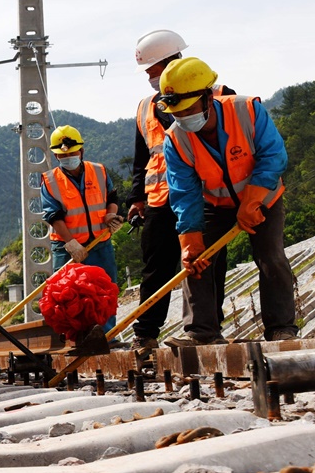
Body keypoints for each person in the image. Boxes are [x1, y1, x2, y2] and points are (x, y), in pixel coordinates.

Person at [159, 57, 297, 346]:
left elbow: (273, 156)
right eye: (177, 111)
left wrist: (253, 200)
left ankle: (281, 329)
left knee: (271, 257)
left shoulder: (246, 110)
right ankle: (201, 332)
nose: (183, 116)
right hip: (214, 204)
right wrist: (190, 239)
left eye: (188, 108)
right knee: (197, 262)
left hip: (263, 199)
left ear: (208, 97)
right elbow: (183, 192)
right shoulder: (175, 139)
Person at [127, 31, 237, 361]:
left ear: (172, 61)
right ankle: (145, 335)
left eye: (153, 69)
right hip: (159, 198)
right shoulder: (145, 108)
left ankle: (207, 329)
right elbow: (141, 158)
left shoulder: (216, 93)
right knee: (155, 268)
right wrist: (137, 199)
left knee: (206, 263)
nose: (150, 78)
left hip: (202, 194)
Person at [39, 125, 124, 354]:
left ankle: (106, 336)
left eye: (72, 153)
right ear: (56, 155)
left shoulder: (99, 171)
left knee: (105, 290)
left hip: (99, 242)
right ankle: (76, 340)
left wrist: (110, 214)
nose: (68, 158)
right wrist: (70, 243)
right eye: (63, 155)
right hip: (67, 246)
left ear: (82, 151)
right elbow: (53, 215)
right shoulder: (49, 180)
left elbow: (112, 197)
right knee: (66, 295)